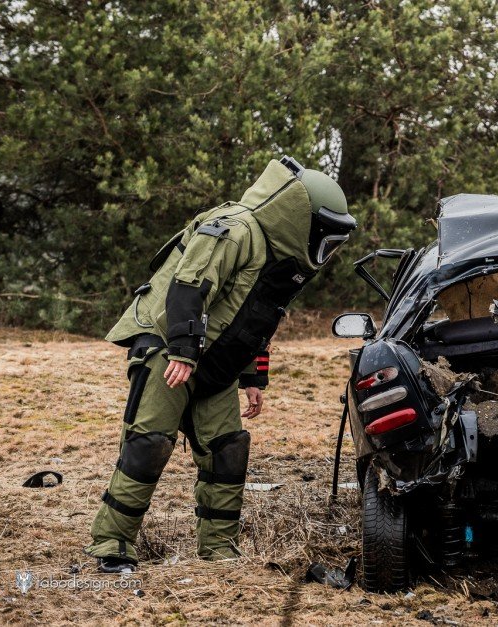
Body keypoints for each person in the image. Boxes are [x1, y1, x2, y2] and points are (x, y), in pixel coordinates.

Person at [85, 156, 356, 572]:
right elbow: (188, 287)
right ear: (300, 217)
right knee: (150, 442)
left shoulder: (281, 261)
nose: (328, 246)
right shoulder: (236, 228)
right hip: (168, 349)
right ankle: (111, 546)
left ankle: (219, 552)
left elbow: (256, 320)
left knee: (227, 450)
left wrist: (252, 378)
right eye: (325, 233)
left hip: (213, 366)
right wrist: (182, 352)